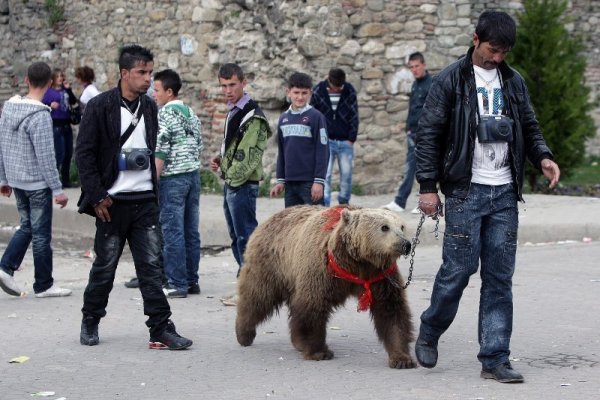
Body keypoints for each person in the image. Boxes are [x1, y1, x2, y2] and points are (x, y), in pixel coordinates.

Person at [414, 11, 560, 383]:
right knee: (458, 272)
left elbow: (529, 123)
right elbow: (428, 133)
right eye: (493, 50)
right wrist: (428, 188)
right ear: (475, 39)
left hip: (504, 193)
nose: (497, 58)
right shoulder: (450, 80)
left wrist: (543, 156)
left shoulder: (513, 82)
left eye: (504, 52)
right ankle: (430, 329)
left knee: (499, 278)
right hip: (466, 190)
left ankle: (495, 357)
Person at [75, 44, 192, 349]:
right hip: (112, 203)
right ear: (124, 74)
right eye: (141, 72)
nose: (147, 78)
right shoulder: (100, 106)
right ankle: (90, 320)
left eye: (150, 72)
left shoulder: (151, 107)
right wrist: (97, 195)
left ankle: (161, 328)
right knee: (104, 268)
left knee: (152, 268)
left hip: (144, 201)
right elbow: (84, 154)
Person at [0, 61, 71, 298]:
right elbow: (46, 156)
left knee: (28, 227)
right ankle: (43, 284)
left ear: (27, 81)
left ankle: (6, 268)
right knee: (40, 234)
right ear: (50, 84)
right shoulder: (40, 116)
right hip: (36, 183)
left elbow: (2, 146)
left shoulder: (8, 109)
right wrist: (57, 189)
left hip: (17, 180)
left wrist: (3, 178)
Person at [209, 63, 271, 306]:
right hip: (232, 182)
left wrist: (228, 171)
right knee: (236, 237)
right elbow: (235, 149)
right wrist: (221, 160)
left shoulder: (252, 115)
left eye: (232, 85)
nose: (227, 90)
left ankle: (254, 291)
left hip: (242, 184)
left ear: (243, 83)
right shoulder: (234, 110)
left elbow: (247, 158)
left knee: (246, 237)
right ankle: (246, 285)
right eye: (223, 86)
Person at [152, 69, 203, 299]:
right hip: (193, 175)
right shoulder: (190, 113)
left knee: (172, 232)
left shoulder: (165, 114)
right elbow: (199, 143)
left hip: (173, 178)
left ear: (169, 92)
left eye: (157, 90)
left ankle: (176, 283)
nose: (154, 94)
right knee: (191, 231)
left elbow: (162, 146)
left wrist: (154, 177)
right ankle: (192, 280)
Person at [382, 52, 432, 214]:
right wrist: (408, 128)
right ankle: (401, 202)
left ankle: (422, 203)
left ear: (424, 65)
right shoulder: (415, 85)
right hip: (413, 133)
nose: (414, 70)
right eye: (411, 67)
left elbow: (432, 112)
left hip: (425, 134)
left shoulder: (431, 84)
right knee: (411, 168)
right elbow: (413, 109)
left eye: (417, 66)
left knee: (425, 170)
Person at [270, 72, 329, 207]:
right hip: (290, 184)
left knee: (315, 224)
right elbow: (282, 152)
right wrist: (280, 181)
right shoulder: (283, 119)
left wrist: (319, 181)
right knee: (293, 225)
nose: (300, 97)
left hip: (310, 183)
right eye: (296, 92)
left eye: (304, 93)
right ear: (288, 92)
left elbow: (323, 151)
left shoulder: (317, 117)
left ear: (310, 93)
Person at [310, 68, 358, 206]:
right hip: (325, 141)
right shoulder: (319, 90)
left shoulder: (349, 90)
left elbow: (354, 114)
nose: (338, 89)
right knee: (326, 175)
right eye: (335, 87)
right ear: (328, 80)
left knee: (347, 175)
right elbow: (313, 115)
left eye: (340, 87)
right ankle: (324, 205)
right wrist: (317, 137)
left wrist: (351, 138)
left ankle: (344, 203)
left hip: (345, 142)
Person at [42, 68, 78, 188]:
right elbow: (41, 106)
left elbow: (73, 102)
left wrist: (68, 89)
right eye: (58, 76)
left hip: (67, 125)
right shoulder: (48, 92)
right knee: (59, 154)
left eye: (62, 76)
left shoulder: (65, 90)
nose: (61, 78)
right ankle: (54, 182)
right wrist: (49, 105)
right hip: (56, 125)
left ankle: (66, 180)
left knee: (68, 153)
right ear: (53, 79)